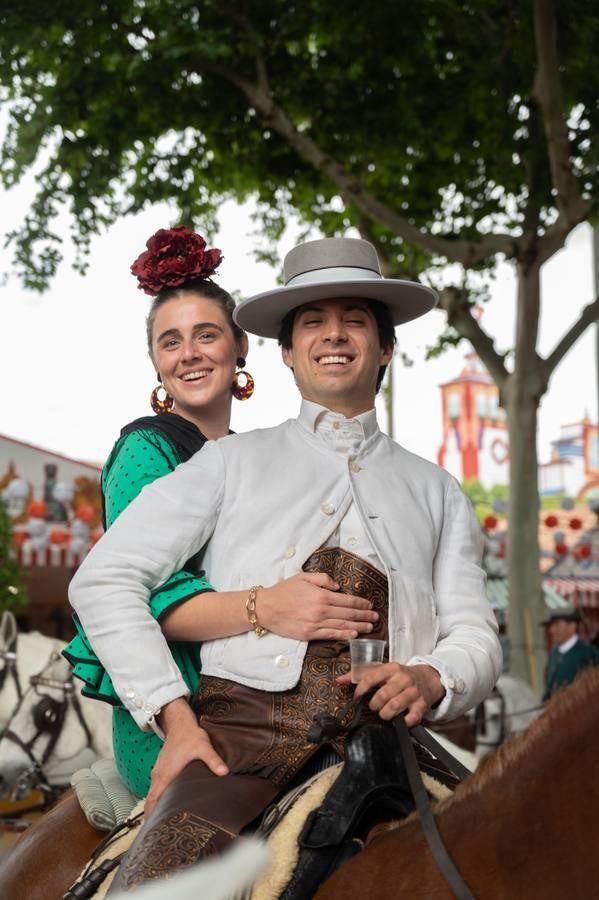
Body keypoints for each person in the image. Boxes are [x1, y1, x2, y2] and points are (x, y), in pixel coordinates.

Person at [68, 236, 502, 892]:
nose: (333, 334)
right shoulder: (226, 463)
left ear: (384, 347)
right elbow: (104, 579)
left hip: (395, 739)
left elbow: (475, 633)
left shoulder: (438, 490)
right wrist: (176, 723)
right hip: (237, 743)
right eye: (312, 322)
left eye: (354, 319)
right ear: (287, 353)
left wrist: (433, 676)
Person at [63, 226, 378, 799]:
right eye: (170, 341)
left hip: (266, 695)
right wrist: (271, 606)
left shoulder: (253, 456)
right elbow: (150, 603)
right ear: (155, 362)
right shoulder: (146, 449)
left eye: (206, 334)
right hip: (179, 711)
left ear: (240, 348)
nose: (189, 354)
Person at [541, 607, 599, 701]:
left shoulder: (589, 653)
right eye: (551, 626)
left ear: (572, 626)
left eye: (557, 625)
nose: (552, 630)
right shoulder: (554, 653)